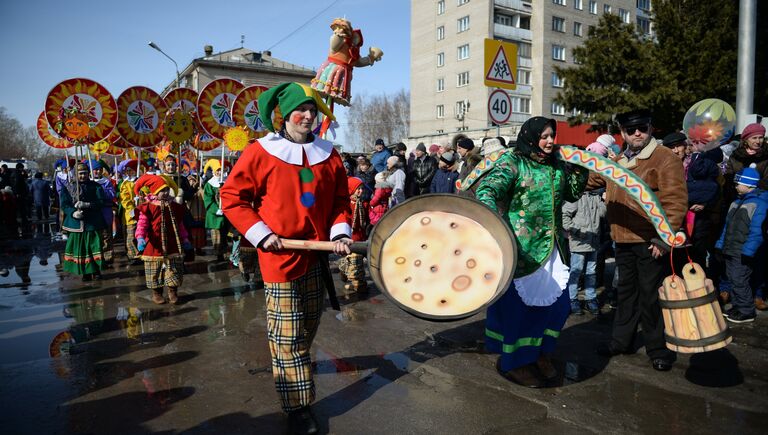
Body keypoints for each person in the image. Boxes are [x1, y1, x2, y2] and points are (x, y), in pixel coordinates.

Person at [220, 82, 352, 434]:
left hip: (317, 258)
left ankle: (291, 372)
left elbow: (341, 200)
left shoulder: (330, 154)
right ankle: (297, 406)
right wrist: (263, 235)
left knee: (306, 330)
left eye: (313, 110)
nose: (308, 116)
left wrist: (339, 233)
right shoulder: (260, 152)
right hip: (279, 259)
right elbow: (232, 198)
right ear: (283, 115)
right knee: (288, 336)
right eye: (301, 110)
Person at [466, 116, 588, 387]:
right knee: (521, 310)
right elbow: (487, 190)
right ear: (531, 136)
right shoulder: (513, 162)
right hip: (522, 250)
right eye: (544, 136)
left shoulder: (557, 164)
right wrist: (491, 224)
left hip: (554, 248)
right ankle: (514, 362)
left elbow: (572, 193)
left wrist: (579, 167)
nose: (549, 141)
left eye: (552, 136)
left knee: (558, 306)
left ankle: (540, 353)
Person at [591, 109, 687, 372]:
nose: (637, 134)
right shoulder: (619, 159)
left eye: (642, 128)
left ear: (650, 128)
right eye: (631, 130)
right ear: (622, 133)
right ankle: (621, 341)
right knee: (626, 294)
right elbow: (593, 179)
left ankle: (658, 350)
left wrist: (663, 238)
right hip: (622, 238)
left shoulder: (664, 158)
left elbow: (675, 201)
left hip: (650, 241)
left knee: (651, 296)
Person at [715, 164, 768, 323]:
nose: (735, 185)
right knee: (732, 279)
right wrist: (719, 245)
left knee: (740, 280)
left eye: (738, 183)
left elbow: (757, 231)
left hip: (742, 251)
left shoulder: (759, 204)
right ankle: (738, 306)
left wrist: (748, 251)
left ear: (749, 184)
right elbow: (726, 227)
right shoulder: (735, 203)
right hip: (730, 248)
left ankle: (746, 310)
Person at [563, 142, 608, 315]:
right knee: (575, 271)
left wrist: (605, 199)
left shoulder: (594, 196)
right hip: (579, 241)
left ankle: (590, 298)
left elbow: (603, 214)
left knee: (591, 272)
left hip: (593, 240)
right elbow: (564, 217)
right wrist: (575, 230)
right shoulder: (575, 197)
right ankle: (572, 298)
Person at [134, 174, 191, 305]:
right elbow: (142, 224)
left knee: (174, 269)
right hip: (154, 244)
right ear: (154, 192)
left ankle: (172, 291)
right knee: (155, 270)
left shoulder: (175, 206)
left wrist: (185, 238)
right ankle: (157, 293)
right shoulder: (148, 207)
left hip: (172, 243)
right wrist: (140, 238)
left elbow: (180, 224)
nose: (165, 193)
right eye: (161, 191)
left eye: (166, 190)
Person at [60, 163, 106, 281]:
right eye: (80, 173)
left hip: (92, 222)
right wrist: (72, 212)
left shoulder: (95, 186)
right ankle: (85, 272)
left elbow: (101, 202)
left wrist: (88, 204)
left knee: (94, 247)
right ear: (75, 174)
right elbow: (64, 204)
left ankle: (96, 271)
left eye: (85, 173)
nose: (83, 176)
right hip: (76, 223)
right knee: (81, 248)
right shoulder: (68, 187)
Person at [337, 177, 369, 293]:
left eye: (361, 189)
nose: (360, 191)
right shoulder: (346, 205)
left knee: (357, 266)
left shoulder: (364, 204)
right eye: (357, 189)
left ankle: (344, 268)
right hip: (349, 240)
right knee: (355, 266)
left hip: (360, 239)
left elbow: (367, 221)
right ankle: (358, 286)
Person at [203, 161, 229, 261]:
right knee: (217, 236)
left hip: (227, 214)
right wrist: (216, 209)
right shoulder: (210, 184)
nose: (220, 172)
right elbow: (208, 199)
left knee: (225, 234)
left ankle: (225, 251)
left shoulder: (228, 181)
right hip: (215, 216)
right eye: (218, 170)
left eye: (222, 169)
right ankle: (219, 254)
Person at [117, 161, 140, 263]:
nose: (129, 172)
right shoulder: (125, 183)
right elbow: (124, 199)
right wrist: (132, 209)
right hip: (130, 214)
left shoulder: (140, 181)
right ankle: (133, 255)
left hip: (142, 213)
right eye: (127, 170)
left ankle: (140, 253)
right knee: (131, 235)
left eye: (131, 170)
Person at [186, 173, 207, 256]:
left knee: (200, 233)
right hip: (191, 214)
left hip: (200, 214)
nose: (192, 182)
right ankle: (191, 249)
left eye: (193, 181)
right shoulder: (188, 190)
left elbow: (204, 196)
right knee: (192, 233)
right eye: (190, 181)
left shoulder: (199, 190)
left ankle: (199, 249)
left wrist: (200, 188)